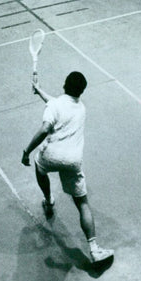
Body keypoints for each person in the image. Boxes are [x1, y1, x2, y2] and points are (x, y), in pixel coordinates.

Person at [21, 71, 114, 263]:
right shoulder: (81, 108)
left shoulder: (55, 105)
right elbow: (56, 103)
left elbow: (46, 126)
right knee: (82, 203)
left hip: (51, 155)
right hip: (73, 160)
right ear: (81, 92)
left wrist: (26, 151)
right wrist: (39, 91)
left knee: (39, 166)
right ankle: (95, 249)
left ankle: (48, 201)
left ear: (64, 85)